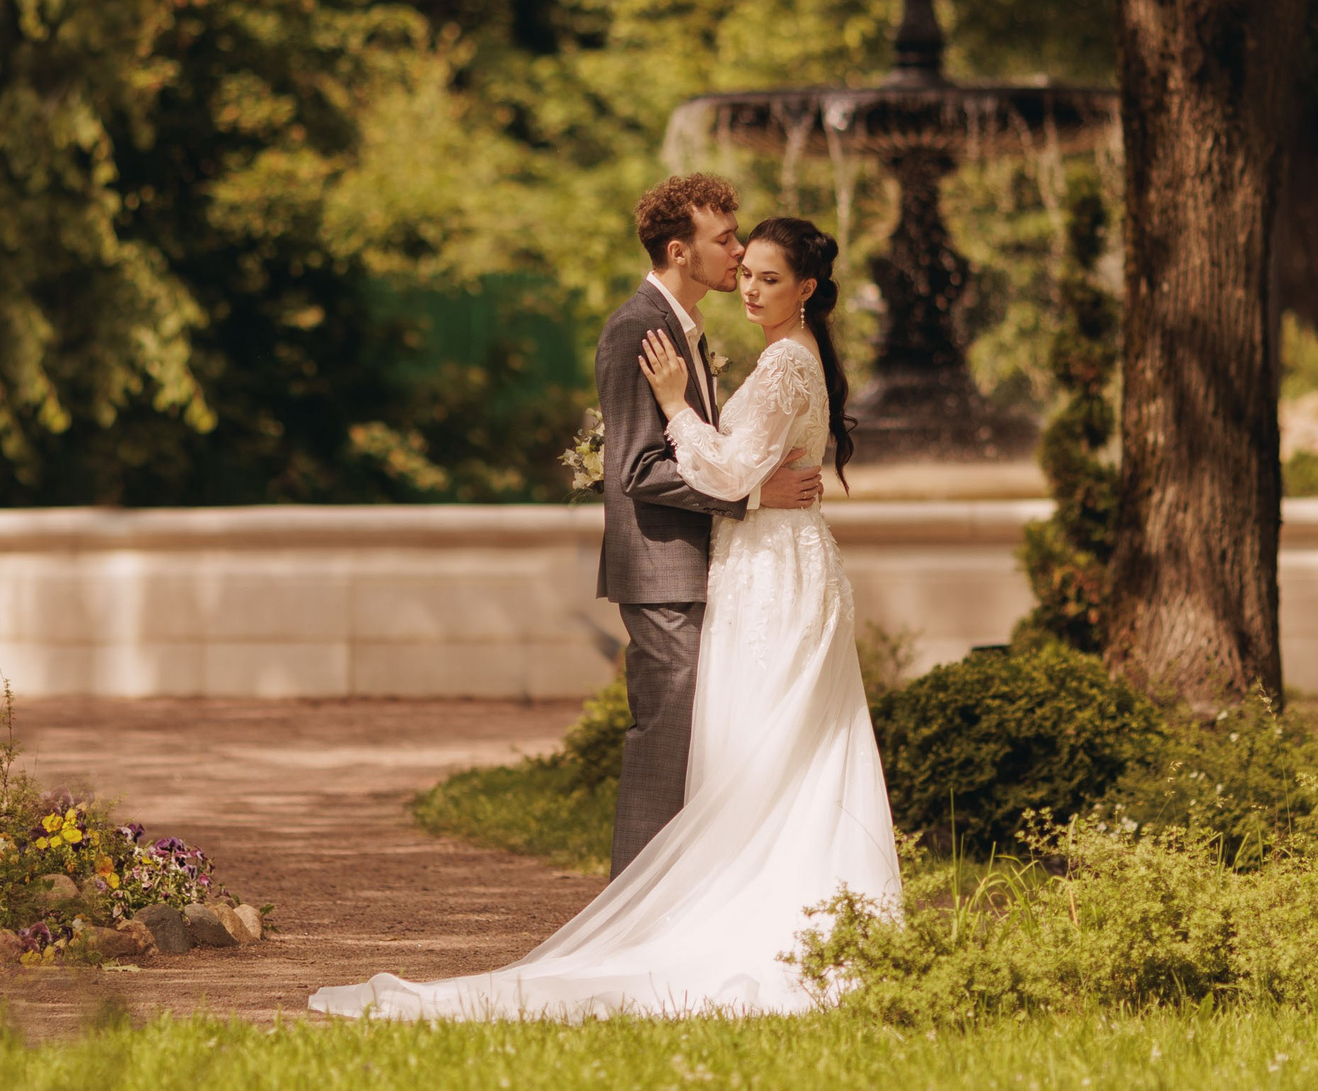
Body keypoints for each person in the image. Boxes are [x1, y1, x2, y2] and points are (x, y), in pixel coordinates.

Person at [310, 208, 901, 1019]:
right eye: (743, 263)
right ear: (678, 247)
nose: (748, 281)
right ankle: (775, 906)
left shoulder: (783, 365)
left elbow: (726, 470)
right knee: (778, 738)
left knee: (762, 740)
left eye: (767, 274)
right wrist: (731, 464)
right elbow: (673, 468)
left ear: (807, 287)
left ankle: (724, 912)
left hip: (772, 568)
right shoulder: (763, 350)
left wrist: (678, 406)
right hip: (780, 559)